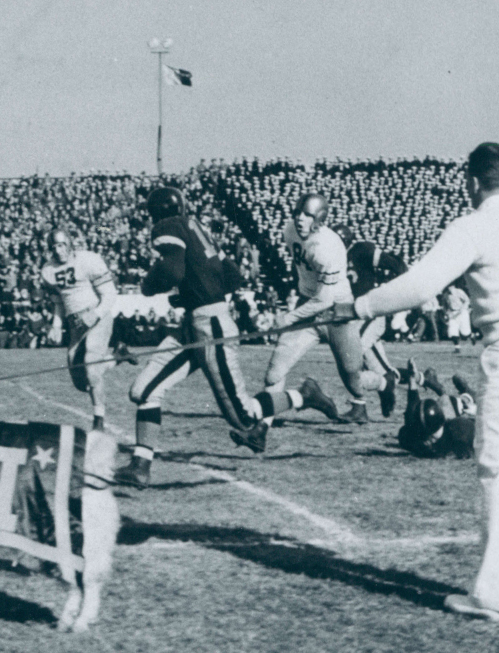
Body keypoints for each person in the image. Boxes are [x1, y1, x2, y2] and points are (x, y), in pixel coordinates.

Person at [343, 142, 499, 622]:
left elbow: (421, 284)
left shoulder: (474, 225)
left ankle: (491, 596)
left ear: (472, 182)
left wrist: (358, 307)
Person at [115, 187, 335, 487]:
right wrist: (193, 293)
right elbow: (232, 275)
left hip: (210, 327)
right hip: (196, 323)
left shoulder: (167, 226)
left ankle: (305, 395)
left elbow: (171, 270)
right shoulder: (195, 227)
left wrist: (150, 285)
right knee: (143, 390)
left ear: (156, 212)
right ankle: (140, 465)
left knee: (244, 418)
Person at [260, 194, 397, 430]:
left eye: (307, 215)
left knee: (353, 375)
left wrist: (289, 317)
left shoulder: (329, 246)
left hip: (337, 312)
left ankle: (384, 386)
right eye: (298, 212)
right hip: (308, 305)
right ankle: (262, 426)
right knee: (276, 368)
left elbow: (325, 299)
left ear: (320, 219)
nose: (299, 218)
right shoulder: (289, 230)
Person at [41, 228, 118, 431]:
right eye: (53, 246)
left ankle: (99, 421)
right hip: (74, 324)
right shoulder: (48, 270)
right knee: (80, 381)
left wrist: (96, 314)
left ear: (70, 243)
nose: (58, 251)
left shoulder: (88, 260)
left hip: (96, 315)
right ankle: (117, 357)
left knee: (91, 365)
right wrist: (56, 325)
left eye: (61, 244)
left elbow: (110, 294)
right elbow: (58, 302)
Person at [335, 225, 407, 420]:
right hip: (355, 317)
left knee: (351, 353)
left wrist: (399, 286)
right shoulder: (335, 259)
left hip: (370, 312)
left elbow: (392, 263)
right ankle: (424, 380)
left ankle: (359, 407)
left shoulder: (360, 250)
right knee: (382, 371)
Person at [396, 359, 476, 459]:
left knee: (449, 402)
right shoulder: (413, 435)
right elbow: (412, 408)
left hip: (473, 418)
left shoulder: (459, 431)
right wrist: (412, 379)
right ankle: (466, 396)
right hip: (455, 417)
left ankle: (468, 396)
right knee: (448, 402)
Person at [442, 279, 475, 350]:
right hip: (452, 313)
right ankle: (457, 347)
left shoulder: (459, 292)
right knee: (452, 330)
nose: (448, 288)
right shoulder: (445, 295)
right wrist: (446, 313)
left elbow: (467, 300)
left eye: (450, 286)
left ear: (453, 286)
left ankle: (471, 335)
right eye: (447, 286)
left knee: (464, 333)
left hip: (462, 313)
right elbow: (444, 305)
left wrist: (463, 308)